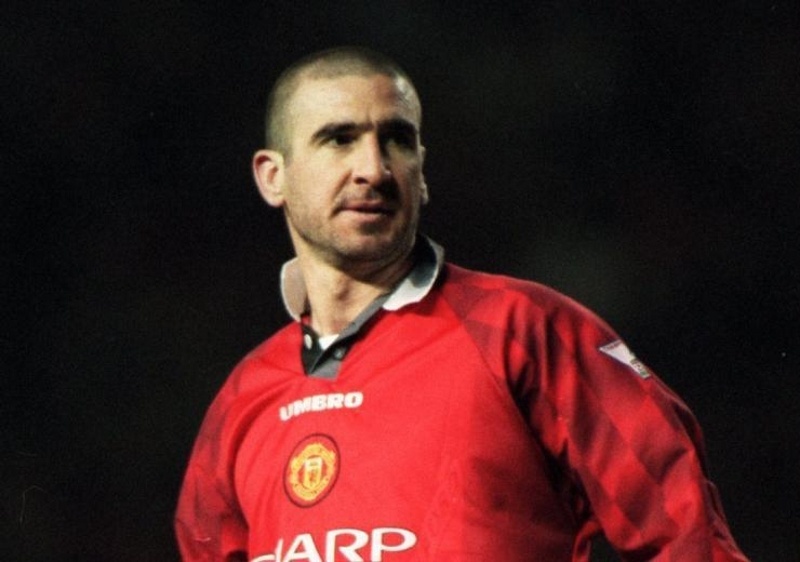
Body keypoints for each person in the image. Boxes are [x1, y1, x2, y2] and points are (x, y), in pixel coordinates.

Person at [175, 46, 749, 562]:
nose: (374, 169)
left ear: (422, 172)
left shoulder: (525, 331)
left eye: (397, 140)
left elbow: (687, 538)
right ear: (273, 177)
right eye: (339, 139)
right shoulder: (243, 398)